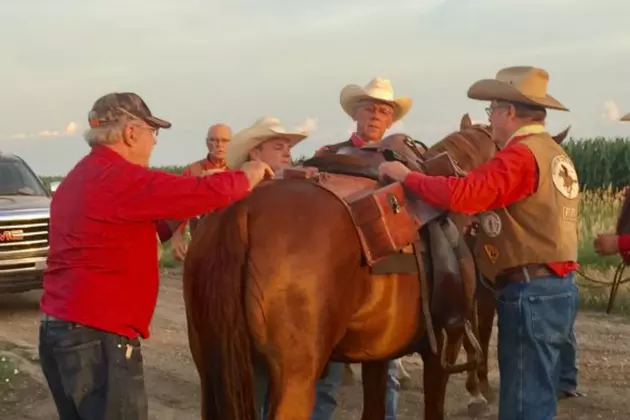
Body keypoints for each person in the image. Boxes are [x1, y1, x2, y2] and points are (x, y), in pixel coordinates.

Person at [38, 92, 272, 420]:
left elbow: (130, 232)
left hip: (64, 331)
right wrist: (250, 172)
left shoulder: (81, 178)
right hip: (98, 337)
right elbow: (201, 192)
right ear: (131, 132)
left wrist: (177, 217)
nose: (154, 142)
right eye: (153, 132)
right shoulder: (121, 178)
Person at [378, 66, 580, 420]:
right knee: (538, 393)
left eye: (492, 111)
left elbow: (464, 193)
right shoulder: (553, 153)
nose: (491, 119)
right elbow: (529, 211)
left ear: (510, 112)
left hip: (529, 289)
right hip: (555, 287)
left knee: (522, 403)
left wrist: (407, 176)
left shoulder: (520, 154)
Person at [313, 76, 413, 420]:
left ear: (391, 120)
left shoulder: (400, 158)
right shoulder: (329, 155)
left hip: (387, 276)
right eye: (369, 108)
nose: (376, 114)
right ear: (356, 112)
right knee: (323, 372)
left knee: (386, 371)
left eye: (383, 110)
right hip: (334, 273)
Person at [170, 123, 232, 260]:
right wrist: (176, 236)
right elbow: (179, 206)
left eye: (224, 140)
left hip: (233, 245)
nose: (219, 145)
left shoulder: (239, 171)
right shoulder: (193, 171)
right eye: (214, 140)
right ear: (206, 142)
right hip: (201, 243)